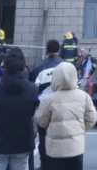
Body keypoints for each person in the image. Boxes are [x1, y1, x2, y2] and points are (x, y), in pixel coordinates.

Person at [35, 62, 97, 170]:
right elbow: (92, 118)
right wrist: (80, 129)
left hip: (55, 149)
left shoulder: (48, 99)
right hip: (76, 147)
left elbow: (41, 121)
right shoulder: (84, 96)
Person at [0, 54, 40, 170]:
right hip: (23, 141)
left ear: (4, 69)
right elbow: (34, 111)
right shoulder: (32, 89)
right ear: (23, 69)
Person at [30, 40, 67, 170]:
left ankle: (45, 165)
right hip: (63, 109)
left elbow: (32, 90)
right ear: (59, 50)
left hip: (44, 109)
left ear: (46, 50)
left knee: (43, 139)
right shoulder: (66, 67)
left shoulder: (39, 67)